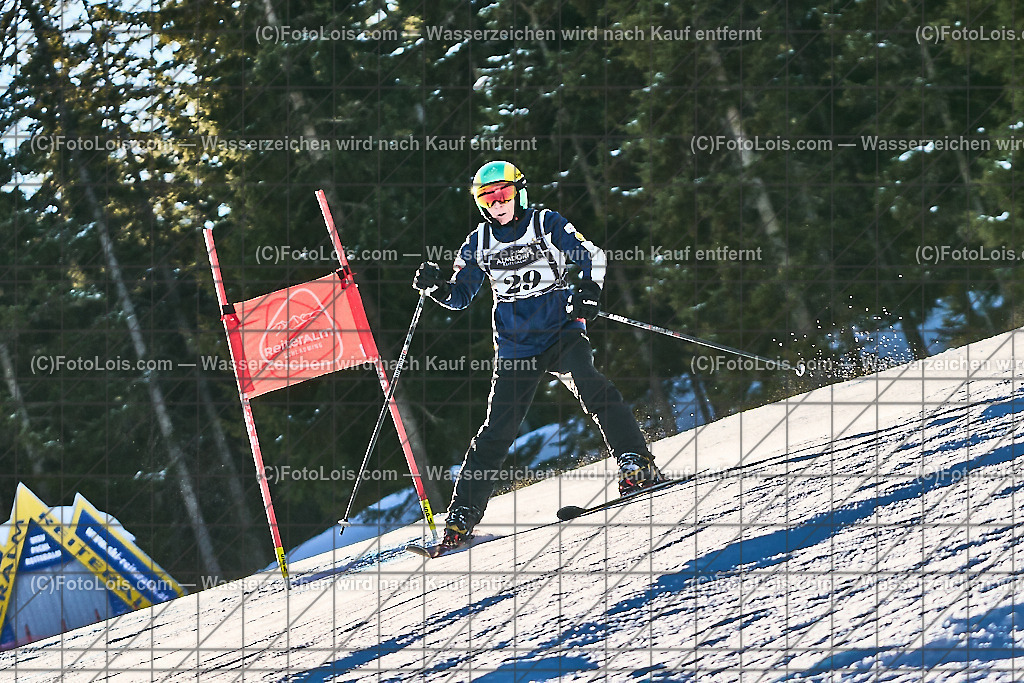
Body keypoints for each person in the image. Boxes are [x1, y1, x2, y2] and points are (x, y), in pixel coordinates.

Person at [413, 160, 663, 550]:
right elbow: (460, 297)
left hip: (561, 330)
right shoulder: (476, 244)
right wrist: (435, 287)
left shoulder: (544, 222)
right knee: (497, 430)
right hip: (517, 347)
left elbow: (591, 256)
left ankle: (637, 462)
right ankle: (461, 517)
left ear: (519, 191)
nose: (498, 201)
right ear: (480, 202)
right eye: (488, 196)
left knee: (591, 386)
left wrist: (589, 291)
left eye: (504, 192)